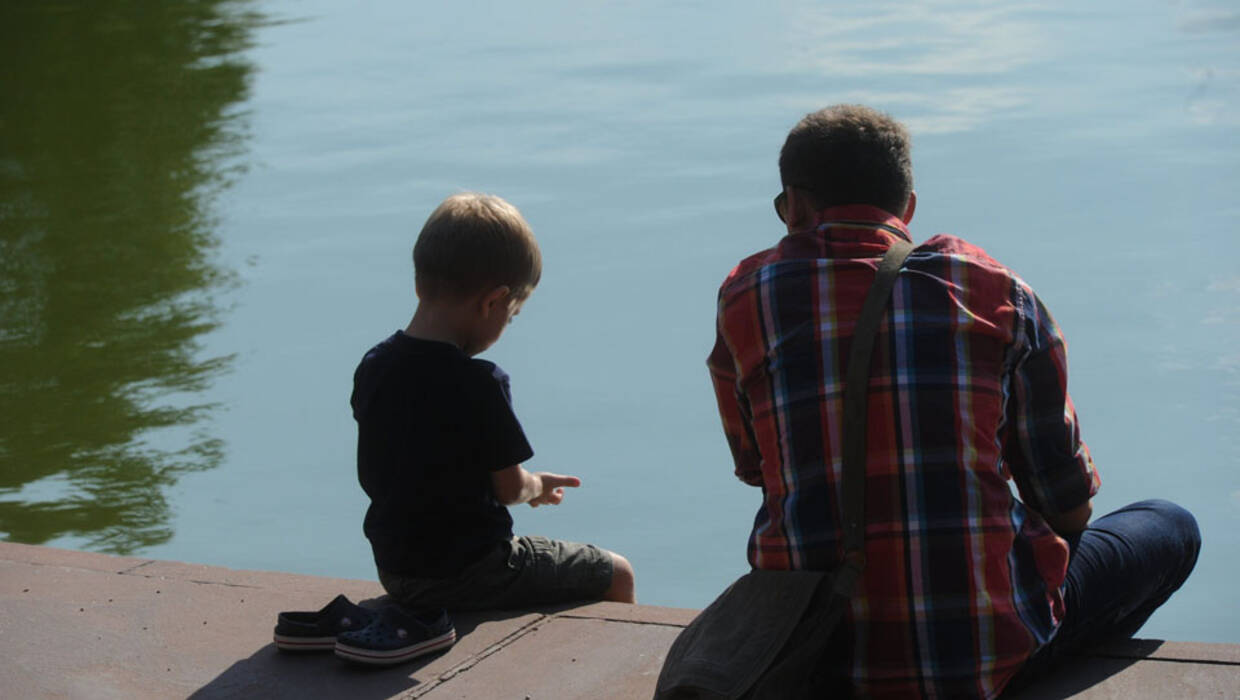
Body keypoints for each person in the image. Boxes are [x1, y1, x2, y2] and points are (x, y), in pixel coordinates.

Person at [706, 105, 1200, 697]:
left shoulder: (745, 296)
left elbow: (756, 468)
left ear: (796, 206)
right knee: (1169, 526)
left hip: (810, 658)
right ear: (907, 207)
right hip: (973, 656)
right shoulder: (994, 289)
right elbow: (1065, 505)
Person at [352, 192, 636, 615]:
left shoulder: (374, 365)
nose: (508, 323)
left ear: (419, 283)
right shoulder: (479, 383)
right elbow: (509, 488)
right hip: (473, 571)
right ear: (493, 301)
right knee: (616, 572)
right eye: (512, 313)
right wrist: (537, 486)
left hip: (397, 570)